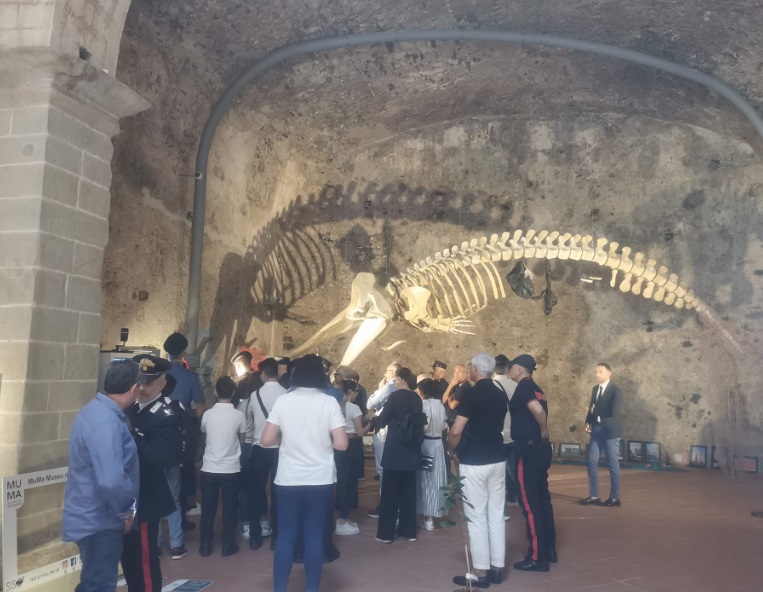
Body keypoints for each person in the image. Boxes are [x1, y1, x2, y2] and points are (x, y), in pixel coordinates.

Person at [261, 355, 348, 592]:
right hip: (321, 480)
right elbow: (342, 444)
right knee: (314, 537)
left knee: (286, 537)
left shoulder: (283, 401)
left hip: (289, 479)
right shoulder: (328, 403)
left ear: (295, 376)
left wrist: (286, 439)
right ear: (321, 377)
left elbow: (266, 440)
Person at [63, 360, 140, 592]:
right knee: (100, 584)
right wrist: (125, 511)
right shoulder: (106, 421)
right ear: (134, 388)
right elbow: (111, 478)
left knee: (92, 582)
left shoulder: (96, 411)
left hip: (91, 513)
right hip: (100, 519)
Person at [123, 355, 181, 592]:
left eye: (149, 382)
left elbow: (159, 458)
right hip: (127, 498)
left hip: (147, 498)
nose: (143, 388)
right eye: (140, 382)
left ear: (162, 383)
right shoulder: (129, 408)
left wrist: (132, 435)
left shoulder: (166, 416)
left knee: (145, 564)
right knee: (129, 562)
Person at [448, 353, 507, 588]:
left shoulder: (472, 393)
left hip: (474, 461)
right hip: (497, 458)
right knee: (496, 515)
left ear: (474, 370)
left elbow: (456, 430)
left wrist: (452, 450)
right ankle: (497, 568)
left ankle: (481, 573)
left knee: (476, 517)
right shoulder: (500, 391)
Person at [507, 354, 557, 572]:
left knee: (529, 504)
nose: (509, 371)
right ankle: (549, 550)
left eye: (511, 368)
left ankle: (537, 558)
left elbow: (537, 410)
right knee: (543, 501)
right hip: (539, 450)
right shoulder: (537, 387)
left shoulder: (524, 388)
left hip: (527, 450)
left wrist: (544, 429)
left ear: (519, 369)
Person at [160, 331, 205, 559]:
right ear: (184, 353)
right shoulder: (190, 377)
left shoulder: (155, 374)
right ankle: (176, 543)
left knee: (154, 492)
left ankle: (156, 544)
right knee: (175, 492)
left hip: (155, 441)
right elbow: (200, 407)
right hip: (179, 439)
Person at [371, 367, 423, 544]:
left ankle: (385, 534)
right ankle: (409, 531)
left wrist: (369, 420)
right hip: (412, 450)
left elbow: (382, 419)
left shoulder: (395, 397)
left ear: (401, 379)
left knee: (390, 494)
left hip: (395, 449)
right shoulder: (417, 399)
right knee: (409, 493)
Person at [199, 376, 247, 557]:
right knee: (230, 507)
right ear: (234, 393)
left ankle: (205, 544)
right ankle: (228, 544)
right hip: (231, 468)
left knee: (208, 507)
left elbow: (204, 435)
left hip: (209, 467)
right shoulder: (239, 415)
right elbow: (242, 440)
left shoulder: (208, 414)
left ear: (215, 392)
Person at [247, 357, 287, 550]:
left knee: (256, 491)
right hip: (280, 449)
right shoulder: (286, 394)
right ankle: (277, 537)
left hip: (259, 447)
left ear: (263, 374)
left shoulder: (254, 395)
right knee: (278, 492)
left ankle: (255, 535)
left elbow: (249, 422)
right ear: (277, 373)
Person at [580, 363, 623, 507]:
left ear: (609, 373)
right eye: (596, 372)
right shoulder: (595, 389)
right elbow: (591, 408)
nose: (597, 374)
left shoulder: (616, 390)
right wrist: (588, 421)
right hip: (597, 430)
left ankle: (615, 498)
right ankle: (594, 496)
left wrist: (595, 410)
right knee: (591, 461)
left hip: (610, 431)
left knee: (612, 464)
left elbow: (613, 411)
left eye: (600, 372)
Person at [335, 380, 371, 535]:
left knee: (341, 481)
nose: (357, 394)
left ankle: (341, 515)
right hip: (352, 445)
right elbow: (360, 432)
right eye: (356, 391)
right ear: (350, 392)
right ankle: (343, 519)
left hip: (337, 445)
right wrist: (372, 421)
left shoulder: (336, 405)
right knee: (350, 483)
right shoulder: (354, 407)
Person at [365, 361, 401, 517]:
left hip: (383, 431)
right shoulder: (399, 388)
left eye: (387, 371)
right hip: (393, 431)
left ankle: (385, 505)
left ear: (393, 374)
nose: (385, 374)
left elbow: (370, 403)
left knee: (382, 468)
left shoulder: (388, 387)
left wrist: (380, 387)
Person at [416, 378, 448, 531]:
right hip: (439, 444)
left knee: (425, 479)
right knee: (437, 479)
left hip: (426, 444)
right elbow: (443, 425)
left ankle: (426, 517)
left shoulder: (424, 405)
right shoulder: (440, 405)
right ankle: (433, 513)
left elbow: (424, 425)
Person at [493, 354, 518, 517]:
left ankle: (503, 510)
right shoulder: (516, 385)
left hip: (497, 435)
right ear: (508, 368)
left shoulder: (491, 386)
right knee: (514, 470)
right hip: (514, 433)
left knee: (498, 475)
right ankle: (518, 498)